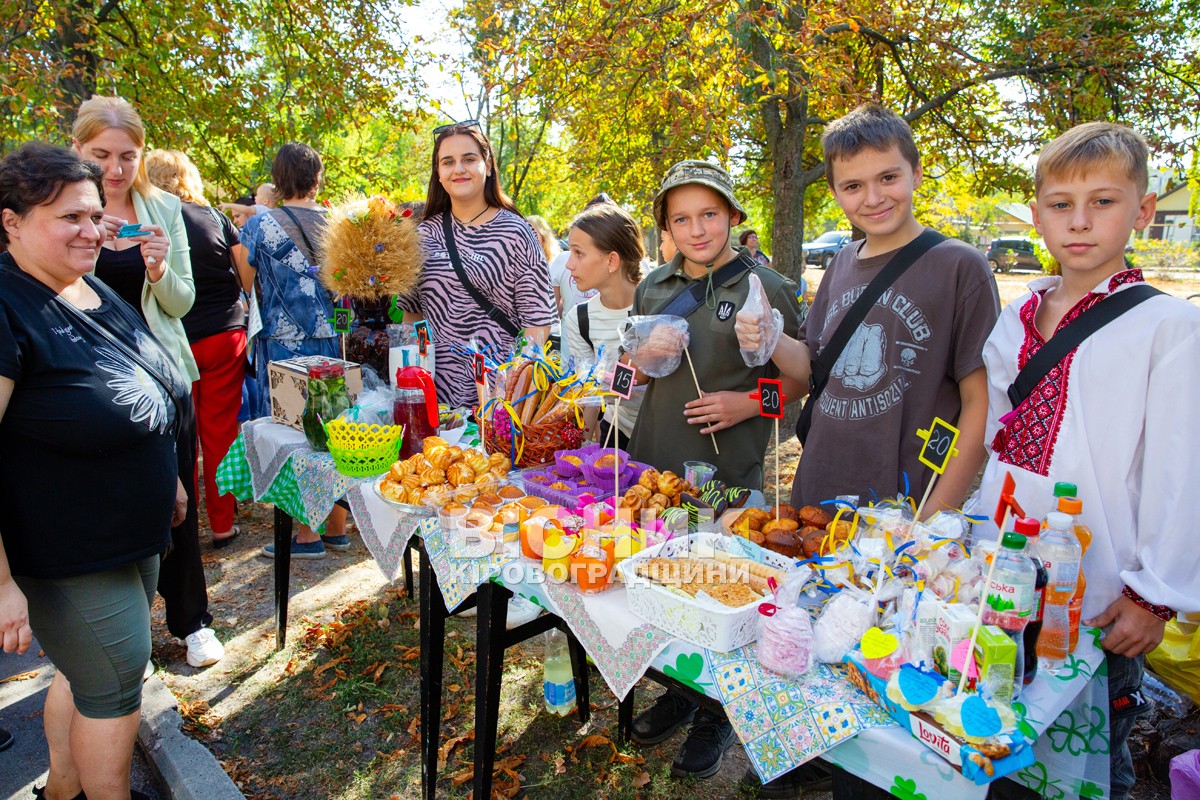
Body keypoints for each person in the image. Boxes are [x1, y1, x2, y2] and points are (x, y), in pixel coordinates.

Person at [734, 103, 999, 797]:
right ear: (834, 191)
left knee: (886, 670)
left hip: (902, 509)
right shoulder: (844, 264)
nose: (873, 197)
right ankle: (814, 755)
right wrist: (765, 339)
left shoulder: (960, 268)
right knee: (817, 644)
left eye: (888, 177)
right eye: (853, 186)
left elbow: (980, 402)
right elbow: (809, 368)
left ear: (914, 172)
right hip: (821, 493)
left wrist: (934, 522)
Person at [972, 123, 1200, 800]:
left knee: (1090, 752)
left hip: (1101, 591)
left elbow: (1181, 471)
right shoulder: (1016, 318)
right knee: (995, 726)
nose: (1079, 222)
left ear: (1144, 210)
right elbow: (995, 444)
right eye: (1060, 203)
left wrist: (1153, 595)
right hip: (1001, 569)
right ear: (1036, 211)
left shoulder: (1168, 328)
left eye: (1103, 202)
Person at [0, 142, 189, 800]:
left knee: (88, 677)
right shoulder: (8, 306)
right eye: (68, 218)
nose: (89, 230)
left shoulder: (89, 286)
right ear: (12, 223)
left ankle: (62, 792)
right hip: (67, 547)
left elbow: (141, 387)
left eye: (92, 215)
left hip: (129, 529)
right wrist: (1, 584)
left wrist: (166, 475)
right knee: (113, 684)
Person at [626, 160, 802, 781]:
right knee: (666, 582)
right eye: (681, 219)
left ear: (732, 216)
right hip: (657, 466)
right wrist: (641, 361)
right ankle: (680, 688)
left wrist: (748, 402)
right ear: (666, 228)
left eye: (709, 214)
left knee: (721, 589)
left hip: (729, 475)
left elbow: (802, 386)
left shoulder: (769, 287)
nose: (697, 230)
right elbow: (630, 377)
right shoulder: (653, 286)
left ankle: (719, 712)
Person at [72, 96, 225, 670]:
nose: (114, 169)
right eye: (101, 155)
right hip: (88, 383)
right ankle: (122, 630)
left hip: (162, 375)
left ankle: (192, 621)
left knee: (175, 494)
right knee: (108, 504)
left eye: (127, 156)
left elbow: (183, 301)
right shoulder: (61, 210)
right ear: (78, 151)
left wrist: (158, 268)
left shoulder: (162, 208)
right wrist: (88, 244)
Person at [233, 142, 349, 560]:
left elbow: (244, 281)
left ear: (278, 179)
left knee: (292, 436)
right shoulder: (338, 224)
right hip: (332, 342)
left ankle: (305, 533)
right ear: (318, 178)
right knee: (333, 431)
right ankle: (336, 526)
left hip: (284, 344)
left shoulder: (263, 226)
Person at [400, 121, 556, 408]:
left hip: (498, 399)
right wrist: (416, 375)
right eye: (448, 162)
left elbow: (537, 325)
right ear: (438, 172)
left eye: (469, 159)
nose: (458, 169)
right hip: (435, 399)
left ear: (488, 164)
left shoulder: (516, 232)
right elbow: (413, 317)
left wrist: (515, 391)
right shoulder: (423, 235)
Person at [145, 149, 251, 552]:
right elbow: (244, 274)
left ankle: (180, 525)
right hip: (224, 334)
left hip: (173, 338)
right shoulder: (215, 218)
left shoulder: (149, 220)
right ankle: (222, 524)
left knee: (178, 435)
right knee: (220, 430)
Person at [560, 203, 645, 450]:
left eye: (578, 253)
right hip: (617, 433)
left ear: (611, 260)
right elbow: (589, 393)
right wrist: (583, 445)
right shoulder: (580, 319)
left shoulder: (658, 309)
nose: (569, 264)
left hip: (664, 435)